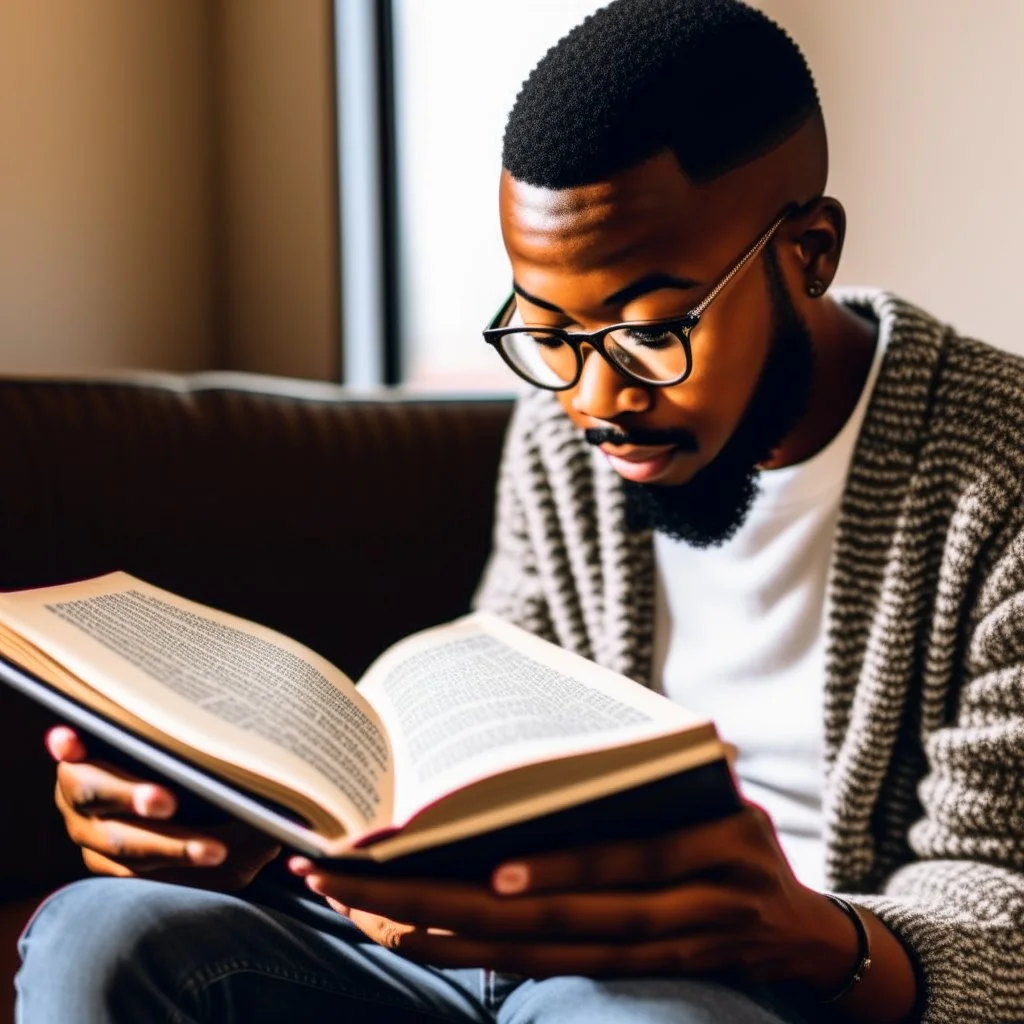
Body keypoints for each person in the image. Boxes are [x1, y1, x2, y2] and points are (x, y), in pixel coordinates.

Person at [15, 0, 1024, 1021]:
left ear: (809, 252)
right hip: (499, 952)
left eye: (650, 332)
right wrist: (251, 826)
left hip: (750, 978)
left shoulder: (998, 471)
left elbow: (1003, 914)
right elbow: (506, 721)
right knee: (103, 934)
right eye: (548, 333)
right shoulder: (561, 434)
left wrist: (806, 935)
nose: (593, 400)